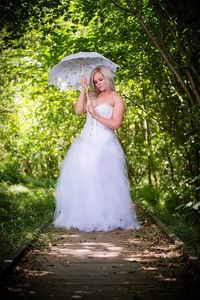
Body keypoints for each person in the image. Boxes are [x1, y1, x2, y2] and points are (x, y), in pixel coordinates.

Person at [54, 65, 141, 232]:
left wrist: (97, 115)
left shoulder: (116, 98)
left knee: (105, 181)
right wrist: (83, 88)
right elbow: (78, 111)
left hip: (105, 144)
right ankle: (88, 216)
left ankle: (109, 216)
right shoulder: (91, 96)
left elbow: (116, 124)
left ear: (108, 78)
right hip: (86, 142)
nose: (99, 83)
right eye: (95, 81)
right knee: (86, 179)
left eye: (101, 79)